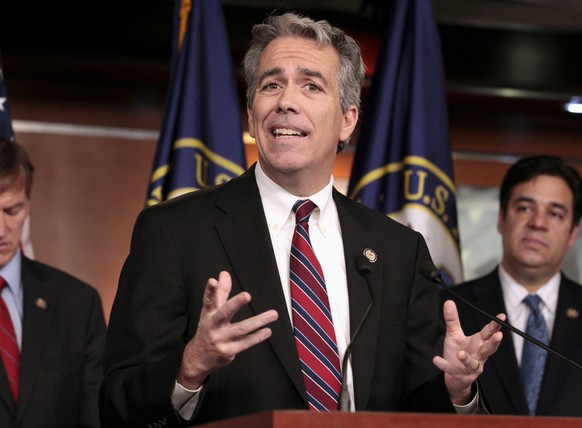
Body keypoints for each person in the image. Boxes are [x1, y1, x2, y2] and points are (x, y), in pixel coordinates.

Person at [99, 12, 502, 427]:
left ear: (347, 120)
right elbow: (117, 401)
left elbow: (418, 409)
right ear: (252, 116)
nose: (286, 102)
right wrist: (189, 369)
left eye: (311, 85)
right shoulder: (175, 231)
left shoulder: (397, 249)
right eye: (271, 85)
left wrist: (458, 391)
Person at [449, 155, 582, 416]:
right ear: (501, 219)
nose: (538, 223)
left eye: (555, 213)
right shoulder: (449, 307)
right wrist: (459, 392)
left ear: (572, 233)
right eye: (524, 208)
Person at [0, 138, 106, 427]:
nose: (1, 230)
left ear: (28, 204)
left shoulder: (77, 305)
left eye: (12, 211)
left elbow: (95, 418)